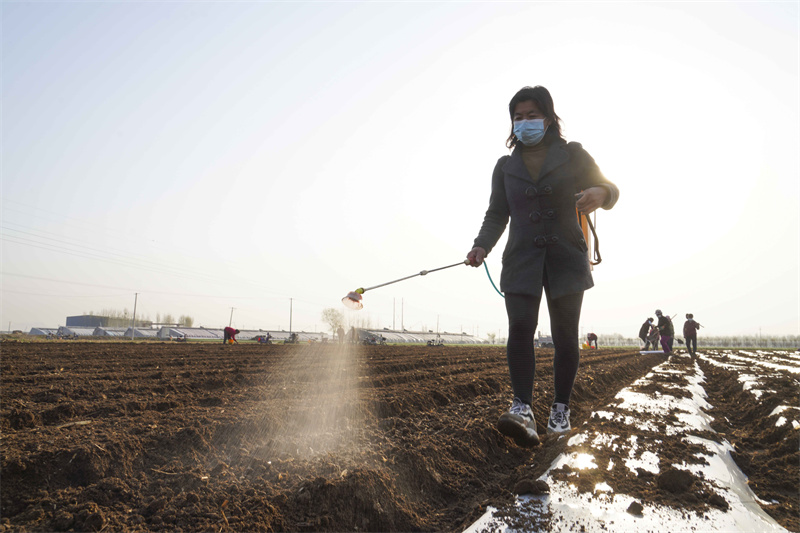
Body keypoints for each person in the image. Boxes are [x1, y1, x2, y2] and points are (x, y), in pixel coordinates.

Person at [466, 86, 619, 446]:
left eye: (532, 115)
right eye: (518, 117)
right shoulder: (505, 167)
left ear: (549, 119)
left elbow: (607, 185)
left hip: (566, 256)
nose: (525, 122)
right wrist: (480, 245)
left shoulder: (572, 154)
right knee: (520, 328)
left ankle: (560, 409)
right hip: (521, 259)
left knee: (566, 335)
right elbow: (496, 214)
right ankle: (522, 407)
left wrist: (603, 194)